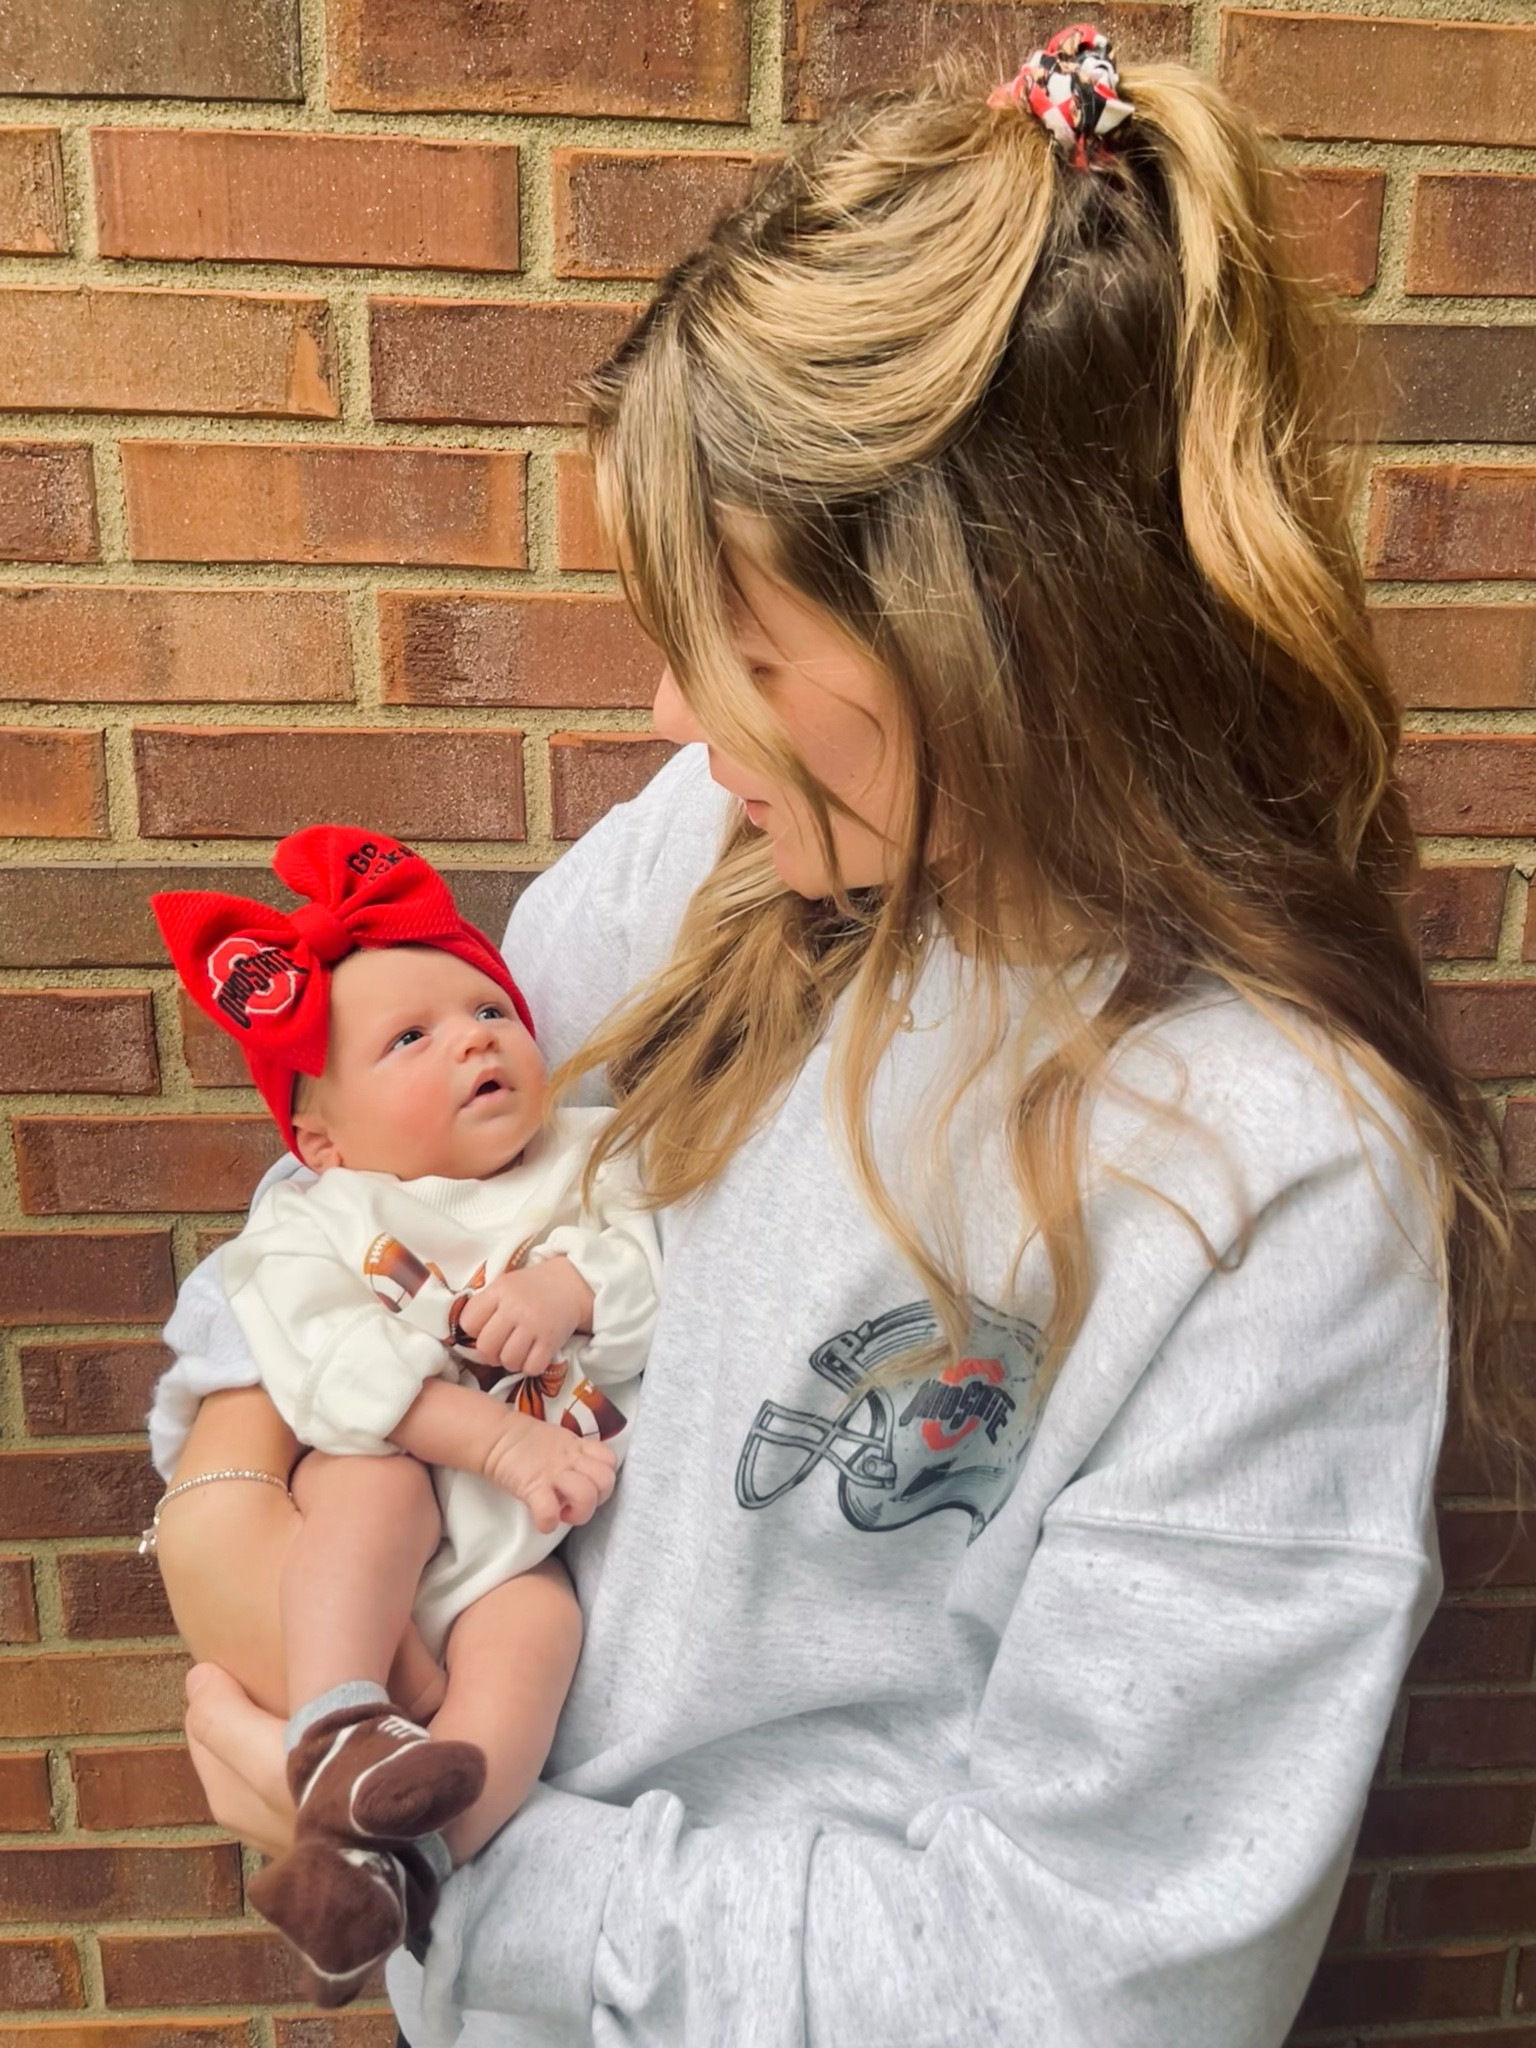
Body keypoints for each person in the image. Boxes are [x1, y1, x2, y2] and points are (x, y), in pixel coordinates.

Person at [150, 27, 1531, 2048]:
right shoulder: (696, 861)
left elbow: (1093, 1985)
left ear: (993, 635)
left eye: (741, 650)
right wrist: (230, 1478)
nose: (662, 721)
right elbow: (365, 1190)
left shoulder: (1265, 1178)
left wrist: (466, 1868)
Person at [148, 827, 656, 2005]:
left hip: (513, 1551)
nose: (475, 1034)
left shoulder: (588, 1155)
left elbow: (652, 1262)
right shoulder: (316, 1216)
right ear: (319, 1136)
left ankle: (400, 1860)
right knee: (363, 1485)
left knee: (537, 1635)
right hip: (402, 1496)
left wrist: (570, 1288)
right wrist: (487, 1435)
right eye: (410, 1037)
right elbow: (322, 1362)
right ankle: (339, 1727)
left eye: (488, 1006)